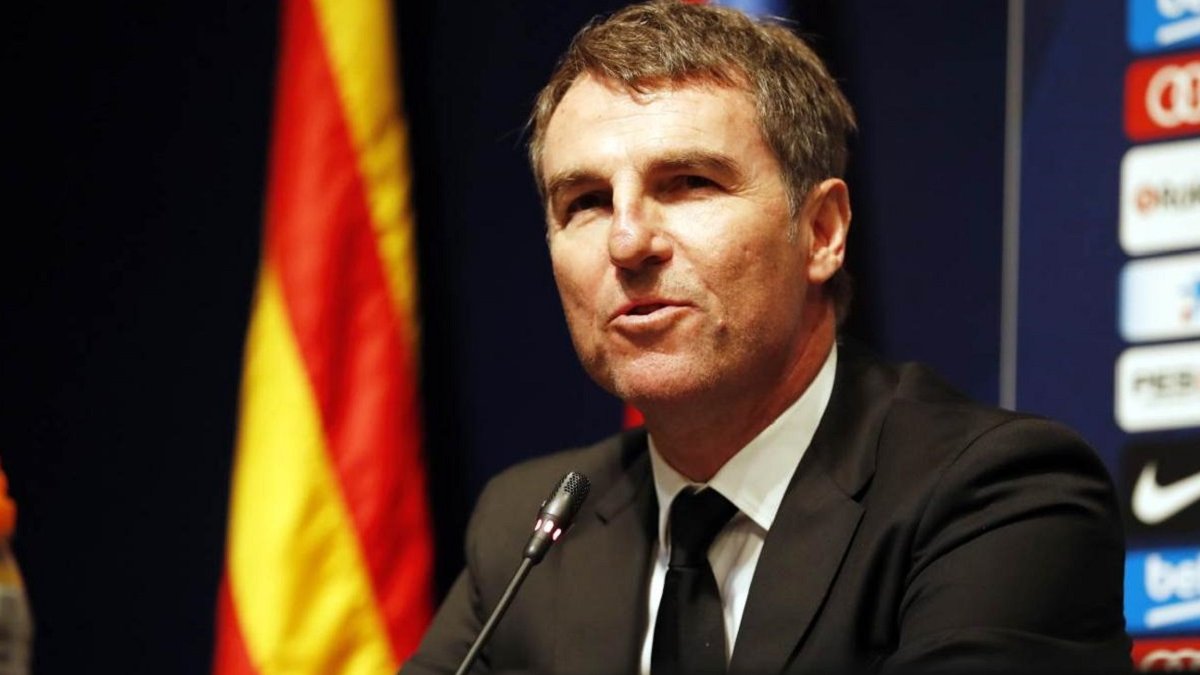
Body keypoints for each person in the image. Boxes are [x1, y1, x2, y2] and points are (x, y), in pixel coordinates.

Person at [405, 2, 1130, 673]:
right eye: (587, 202)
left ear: (822, 232)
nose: (627, 242)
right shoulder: (529, 526)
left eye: (689, 183)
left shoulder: (995, 497)